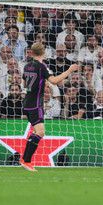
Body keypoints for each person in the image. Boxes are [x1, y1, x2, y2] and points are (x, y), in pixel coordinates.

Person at [20, 42, 79, 171]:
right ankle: (26, 161)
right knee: (40, 132)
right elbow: (54, 81)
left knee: (36, 132)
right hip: (35, 104)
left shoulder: (27, 66)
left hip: (27, 102)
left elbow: (24, 84)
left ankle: (24, 159)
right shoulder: (41, 67)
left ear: (32, 52)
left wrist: (39, 83)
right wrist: (70, 70)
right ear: (43, 52)